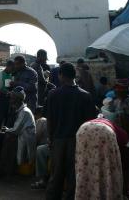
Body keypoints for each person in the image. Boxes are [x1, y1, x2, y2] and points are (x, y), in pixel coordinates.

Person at [45, 63, 97, 200]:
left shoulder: (53, 94)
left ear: (61, 75)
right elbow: (90, 123)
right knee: (73, 175)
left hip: (58, 140)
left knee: (56, 175)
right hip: (78, 141)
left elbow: (50, 120)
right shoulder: (86, 96)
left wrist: (50, 139)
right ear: (75, 76)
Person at [75, 120, 124, 200]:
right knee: (107, 166)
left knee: (84, 166)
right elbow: (124, 141)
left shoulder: (97, 120)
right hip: (106, 132)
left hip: (83, 130)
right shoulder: (119, 129)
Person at [2, 86, 36, 166]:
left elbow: (15, 130)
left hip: (26, 138)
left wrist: (6, 130)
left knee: (7, 139)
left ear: (18, 99)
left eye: (12, 98)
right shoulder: (20, 110)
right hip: (23, 136)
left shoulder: (24, 112)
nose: (10, 100)